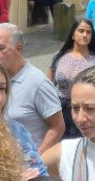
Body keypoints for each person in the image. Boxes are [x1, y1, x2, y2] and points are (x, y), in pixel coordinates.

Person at [0, 24, 64, 155]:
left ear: (18, 48)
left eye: (1, 48)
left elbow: (57, 126)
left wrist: (37, 160)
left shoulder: (38, 83)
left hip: (26, 168)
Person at [48, 19, 95, 138]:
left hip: (82, 110)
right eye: (81, 31)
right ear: (73, 35)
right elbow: (47, 83)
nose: (85, 35)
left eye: (88, 32)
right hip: (58, 108)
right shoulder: (59, 56)